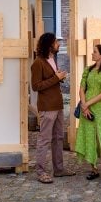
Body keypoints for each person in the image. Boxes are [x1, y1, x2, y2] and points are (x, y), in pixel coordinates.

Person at [31, 32, 75, 183]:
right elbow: (36, 86)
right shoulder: (38, 62)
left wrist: (59, 78)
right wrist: (56, 78)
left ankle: (59, 169)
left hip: (58, 104)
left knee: (58, 138)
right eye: (56, 42)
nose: (58, 44)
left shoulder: (52, 59)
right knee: (45, 139)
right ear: (49, 44)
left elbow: (50, 81)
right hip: (47, 107)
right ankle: (41, 171)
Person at [75, 44, 101, 186]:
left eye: (95, 52)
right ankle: (93, 169)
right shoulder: (88, 70)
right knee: (89, 135)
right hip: (85, 106)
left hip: (98, 107)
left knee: (100, 136)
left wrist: (88, 104)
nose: (92, 54)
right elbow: (81, 88)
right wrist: (84, 105)